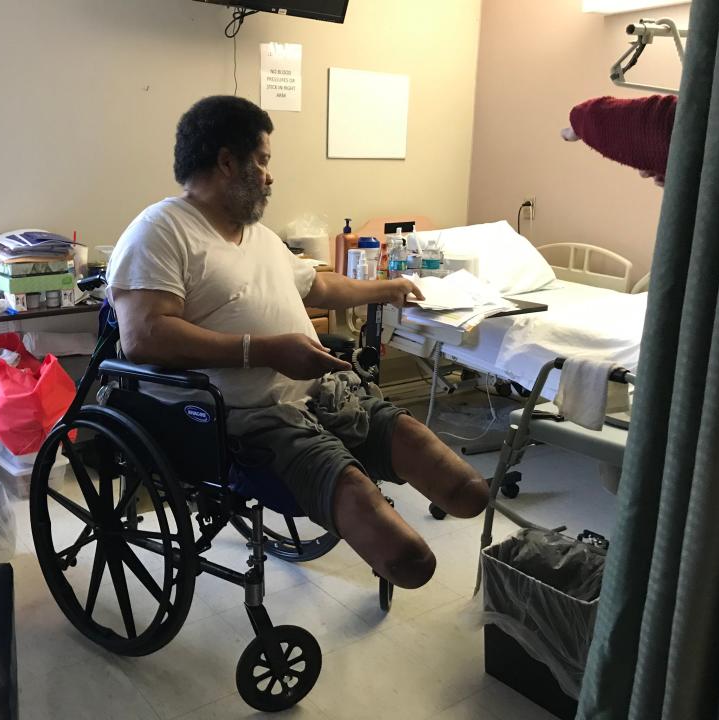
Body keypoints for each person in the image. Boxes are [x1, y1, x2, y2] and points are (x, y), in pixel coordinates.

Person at [107, 95, 488, 589]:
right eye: (262, 161)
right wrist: (264, 351)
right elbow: (144, 337)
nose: (269, 176)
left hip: (325, 394)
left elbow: (320, 286)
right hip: (245, 419)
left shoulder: (257, 235)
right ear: (227, 162)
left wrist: (386, 289)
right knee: (408, 559)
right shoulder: (160, 230)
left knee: (466, 488)